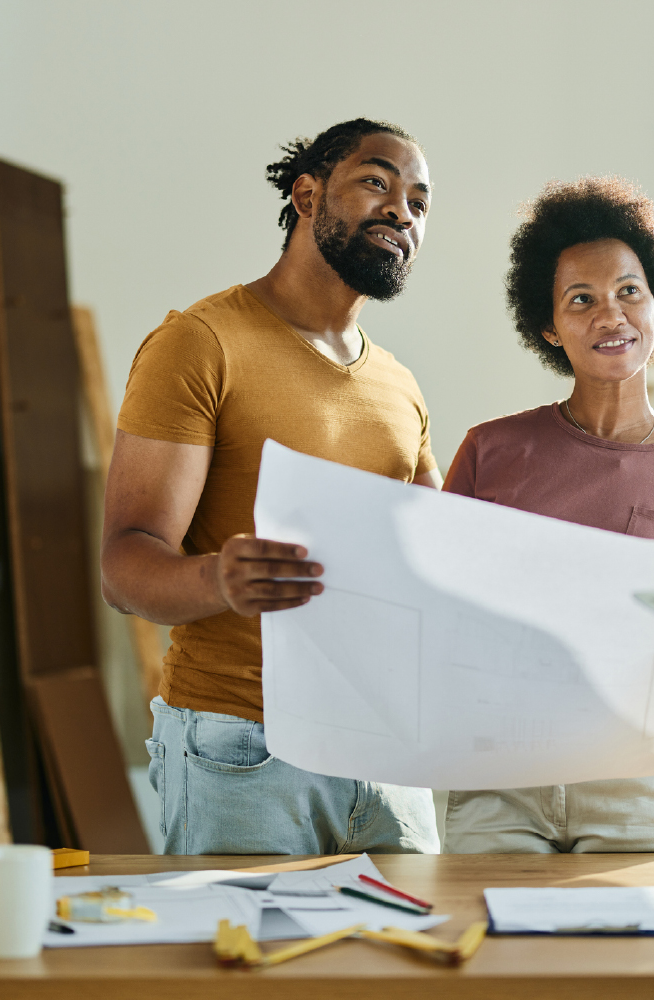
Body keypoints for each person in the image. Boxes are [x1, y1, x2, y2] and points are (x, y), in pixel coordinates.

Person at [100, 118, 443, 856]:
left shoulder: (400, 386)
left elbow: (433, 552)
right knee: (246, 968)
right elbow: (125, 567)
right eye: (377, 182)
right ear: (308, 194)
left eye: (420, 202)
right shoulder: (200, 344)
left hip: (384, 745)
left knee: (408, 966)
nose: (401, 211)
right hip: (244, 746)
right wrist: (221, 577)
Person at [441, 176, 654, 853]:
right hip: (501, 774)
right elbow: (438, 607)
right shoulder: (490, 449)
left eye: (628, 292)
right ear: (549, 326)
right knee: (499, 956)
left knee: (639, 954)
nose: (610, 316)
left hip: (641, 776)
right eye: (581, 300)